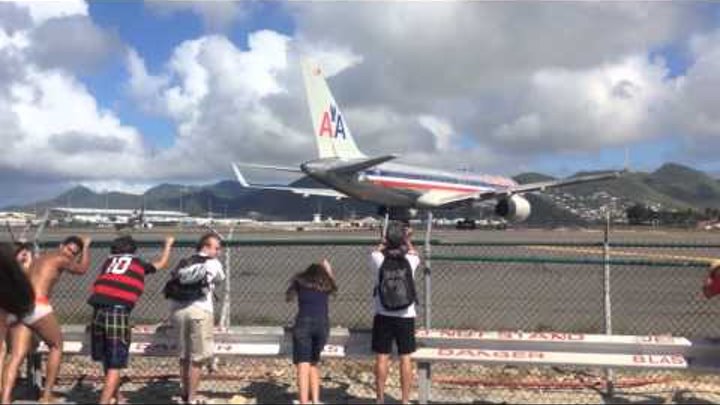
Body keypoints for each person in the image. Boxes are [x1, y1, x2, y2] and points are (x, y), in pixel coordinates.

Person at [2, 235, 91, 404]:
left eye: (74, 253)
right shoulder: (60, 258)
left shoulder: (38, 259)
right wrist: (86, 247)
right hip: (37, 305)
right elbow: (82, 270)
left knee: (16, 356)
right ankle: (47, 395)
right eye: (69, 249)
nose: (70, 254)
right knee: (57, 346)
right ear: (61, 245)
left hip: (20, 305)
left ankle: (5, 399)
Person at [88, 235, 175, 405]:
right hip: (118, 312)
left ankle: (116, 396)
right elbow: (161, 264)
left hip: (98, 310)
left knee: (107, 357)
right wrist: (168, 245)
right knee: (116, 363)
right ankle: (104, 401)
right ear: (133, 251)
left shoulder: (108, 263)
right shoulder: (137, 263)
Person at [165, 233, 225, 405]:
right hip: (200, 311)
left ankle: (184, 392)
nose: (218, 252)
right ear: (206, 247)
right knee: (197, 358)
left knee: (183, 356)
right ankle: (192, 397)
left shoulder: (184, 261)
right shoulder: (213, 263)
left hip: (177, 311)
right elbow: (220, 279)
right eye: (216, 248)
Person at [369, 221, 420, 405]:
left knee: (382, 356)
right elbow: (413, 252)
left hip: (383, 314)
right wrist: (408, 239)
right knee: (405, 357)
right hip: (406, 315)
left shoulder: (377, 259)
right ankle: (405, 400)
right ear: (402, 240)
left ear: (387, 240)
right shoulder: (411, 260)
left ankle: (380, 398)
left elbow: (377, 250)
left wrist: (383, 241)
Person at [286, 259, 338, 405]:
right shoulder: (325, 285)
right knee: (313, 364)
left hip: (303, 322)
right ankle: (315, 400)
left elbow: (288, 297)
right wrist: (329, 270)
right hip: (322, 325)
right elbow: (334, 287)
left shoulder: (300, 282)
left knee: (303, 366)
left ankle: (304, 401)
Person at [1, 242, 36, 393]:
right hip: (8, 313)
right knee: (4, 350)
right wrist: (28, 263)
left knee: (4, 349)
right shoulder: (15, 273)